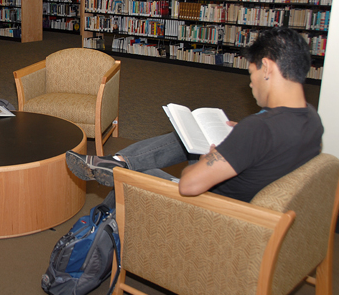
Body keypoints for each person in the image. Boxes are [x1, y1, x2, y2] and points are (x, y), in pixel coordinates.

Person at [66, 27, 323, 203]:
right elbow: (269, 145)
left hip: (214, 211)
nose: (251, 84)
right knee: (187, 135)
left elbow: (188, 185)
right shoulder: (311, 120)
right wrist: (237, 138)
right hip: (250, 199)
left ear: (266, 68)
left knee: (136, 179)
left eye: (252, 74)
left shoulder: (258, 129)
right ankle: (117, 161)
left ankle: (116, 177)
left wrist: (209, 156)